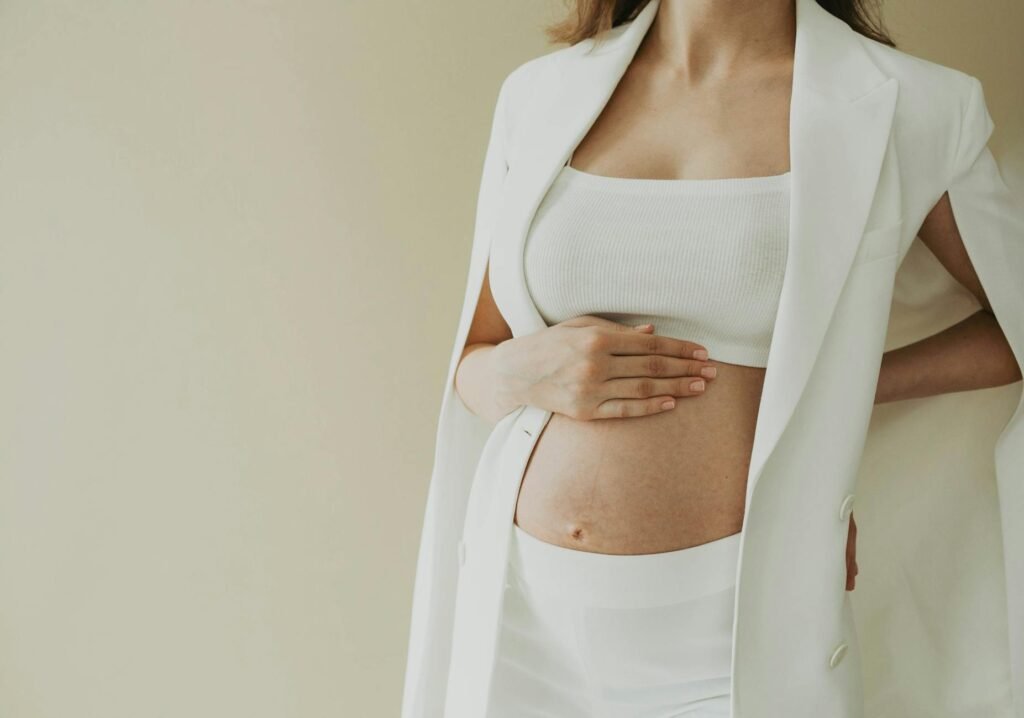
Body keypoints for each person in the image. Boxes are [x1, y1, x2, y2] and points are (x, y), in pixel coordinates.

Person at [402, 1, 1024, 716]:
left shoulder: (910, 104)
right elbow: (476, 358)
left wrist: (833, 389)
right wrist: (519, 372)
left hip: (734, 642)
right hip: (521, 622)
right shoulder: (541, 93)